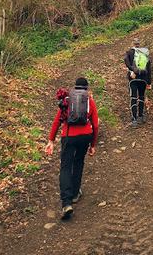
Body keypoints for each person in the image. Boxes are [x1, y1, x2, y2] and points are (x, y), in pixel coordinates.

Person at [45, 77, 99, 220]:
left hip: (69, 136)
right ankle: (75, 194)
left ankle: (66, 203)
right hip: (85, 136)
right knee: (79, 162)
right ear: (87, 88)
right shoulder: (89, 101)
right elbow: (96, 125)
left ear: (74, 87)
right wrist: (92, 145)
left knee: (66, 167)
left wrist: (51, 140)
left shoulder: (67, 100)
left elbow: (57, 120)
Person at [123, 37, 152, 127]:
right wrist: (149, 82)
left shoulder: (130, 52)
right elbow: (149, 69)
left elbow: (126, 61)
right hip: (143, 78)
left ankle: (134, 119)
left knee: (133, 97)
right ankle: (141, 116)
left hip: (133, 78)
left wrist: (132, 70)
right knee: (141, 97)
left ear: (133, 43)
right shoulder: (145, 53)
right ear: (139, 44)